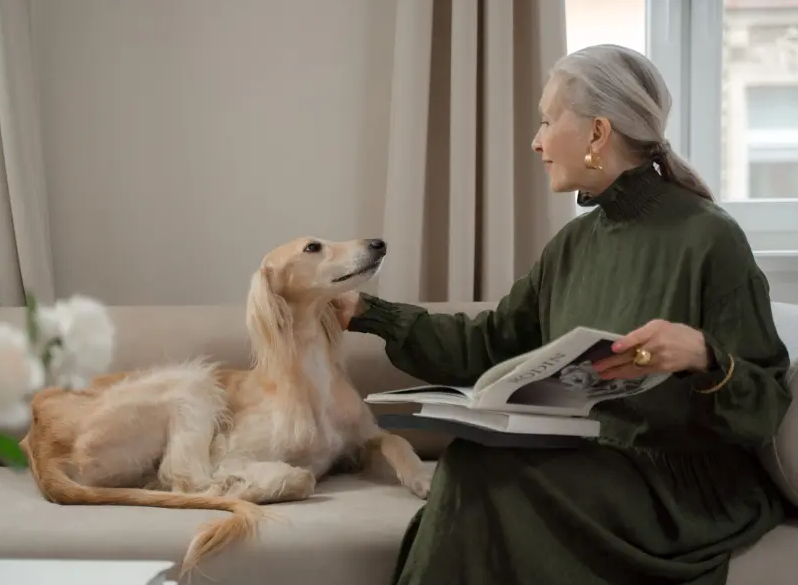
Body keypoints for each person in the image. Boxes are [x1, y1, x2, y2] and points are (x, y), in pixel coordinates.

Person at [335, 44, 793, 585]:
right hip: (595, 464)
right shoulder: (573, 244)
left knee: (479, 474)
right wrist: (369, 312)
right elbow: (491, 343)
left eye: (548, 120)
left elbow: (765, 404)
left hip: (682, 485)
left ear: (597, 133)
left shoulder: (710, 238)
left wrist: (702, 355)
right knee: (473, 462)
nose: (536, 141)